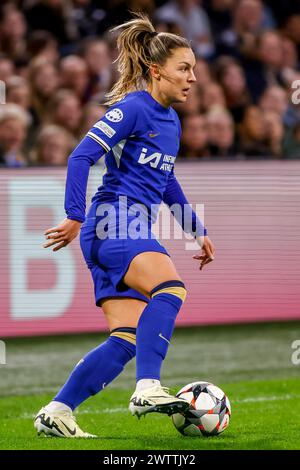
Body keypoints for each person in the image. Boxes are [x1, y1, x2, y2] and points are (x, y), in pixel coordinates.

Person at [33, 13, 215, 438]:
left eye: (194, 69)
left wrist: (196, 229)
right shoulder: (134, 108)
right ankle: (148, 387)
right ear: (156, 71)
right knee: (171, 289)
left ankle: (58, 411)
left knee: (126, 340)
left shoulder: (172, 121)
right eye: (183, 69)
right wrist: (75, 215)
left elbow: (165, 179)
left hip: (124, 228)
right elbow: (80, 156)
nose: (192, 78)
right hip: (113, 221)